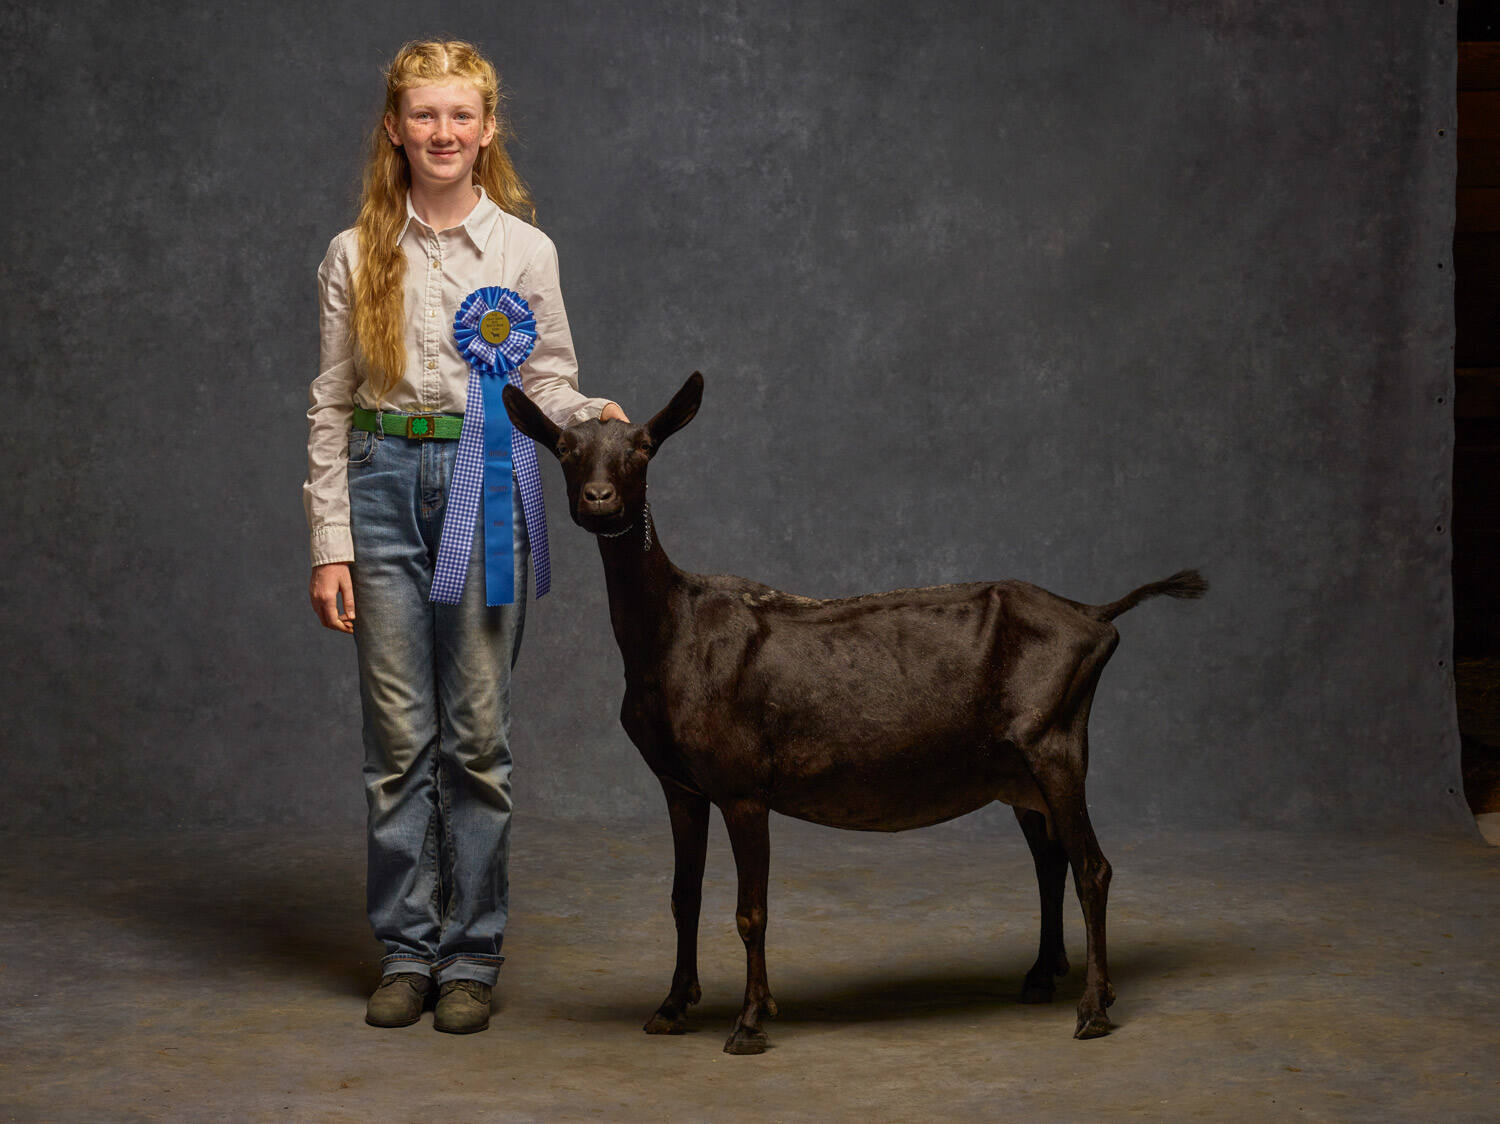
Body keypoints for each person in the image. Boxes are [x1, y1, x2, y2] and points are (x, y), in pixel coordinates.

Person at [303, 39, 627, 1034]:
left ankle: (471, 956)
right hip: (380, 484)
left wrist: (588, 415)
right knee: (398, 741)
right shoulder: (354, 252)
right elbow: (331, 402)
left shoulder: (526, 251)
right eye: (424, 114)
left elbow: (545, 377)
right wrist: (329, 540)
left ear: (486, 131)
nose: (442, 132)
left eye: (460, 115)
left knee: (477, 739)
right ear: (394, 128)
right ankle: (408, 949)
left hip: (484, 482)